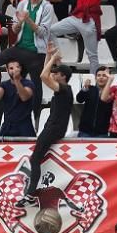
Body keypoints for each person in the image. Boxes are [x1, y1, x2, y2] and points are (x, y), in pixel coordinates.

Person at [17, 44, 73, 204]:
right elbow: (46, 73)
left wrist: (53, 59)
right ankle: (30, 193)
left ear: (62, 76)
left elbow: (43, 75)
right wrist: (49, 56)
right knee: (35, 159)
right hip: (53, 127)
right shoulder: (63, 89)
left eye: (56, 73)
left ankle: (30, 194)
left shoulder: (64, 89)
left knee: (35, 159)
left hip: (54, 128)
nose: (53, 75)